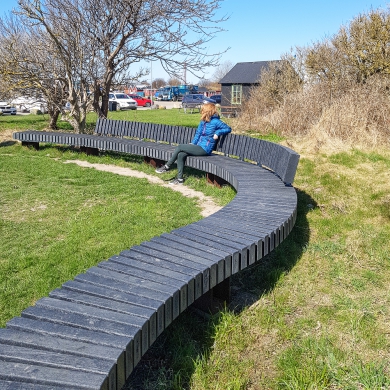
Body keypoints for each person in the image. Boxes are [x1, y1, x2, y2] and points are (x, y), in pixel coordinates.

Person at [156, 103, 232, 184]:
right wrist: (193, 143)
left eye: (203, 110)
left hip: (205, 149)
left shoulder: (216, 121)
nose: (201, 111)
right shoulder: (203, 121)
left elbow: (228, 128)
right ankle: (179, 179)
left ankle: (167, 166)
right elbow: (198, 134)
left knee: (180, 147)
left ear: (208, 111)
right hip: (198, 146)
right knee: (181, 154)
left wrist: (218, 132)